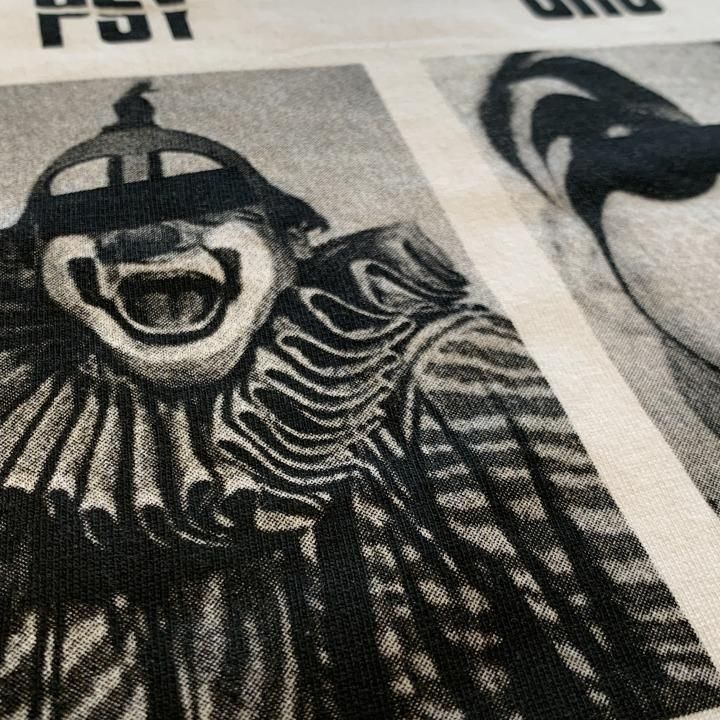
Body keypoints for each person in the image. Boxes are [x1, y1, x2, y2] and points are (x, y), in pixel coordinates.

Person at [0, 84, 717, 719]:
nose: (147, 238)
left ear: (292, 245)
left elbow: (660, 625)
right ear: (36, 272)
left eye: (204, 208)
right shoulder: (30, 431)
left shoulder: (450, 366)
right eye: (85, 220)